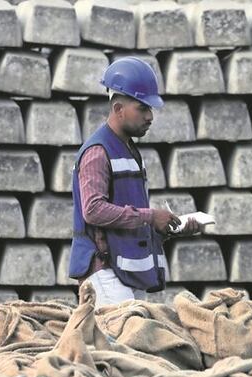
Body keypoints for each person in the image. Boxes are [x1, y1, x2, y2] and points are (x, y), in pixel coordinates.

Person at [68, 57, 202, 308]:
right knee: (122, 343)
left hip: (125, 273)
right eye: (142, 108)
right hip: (104, 273)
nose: (150, 116)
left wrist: (166, 228)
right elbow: (93, 210)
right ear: (118, 109)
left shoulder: (129, 151)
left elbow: (128, 219)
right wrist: (151, 216)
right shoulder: (98, 152)